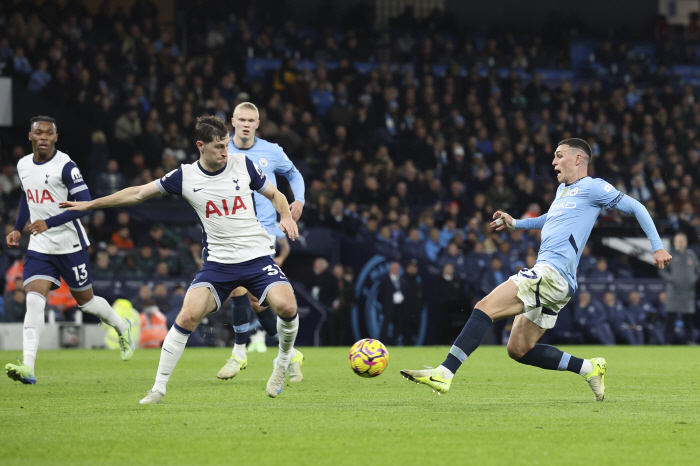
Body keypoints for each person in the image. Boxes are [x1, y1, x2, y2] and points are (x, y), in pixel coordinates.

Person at [401, 138, 672, 401]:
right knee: (518, 349)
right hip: (557, 280)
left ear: (578, 158)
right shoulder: (562, 192)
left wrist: (657, 247)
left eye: (559, 155)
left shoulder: (593, 187)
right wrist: (516, 224)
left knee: (485, 306)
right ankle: (589, 368)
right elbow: (549, 218)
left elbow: (636, 207)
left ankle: (444, 372)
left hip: (552, 274)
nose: (553, 161)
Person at [61, 115, 301, 402]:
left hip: (257, 257)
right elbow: (138, 193)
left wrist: (285, 216)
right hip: (218, 265)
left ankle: (283, 362)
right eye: (218, 147)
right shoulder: (185, 177)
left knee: (287, 306)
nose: (226, 152)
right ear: (200, 146)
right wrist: (91, 203)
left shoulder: (242, 165)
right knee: (186, 316)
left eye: (226, 145)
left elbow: (275, 195)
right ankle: (158, 389)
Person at [5, 116, 134, 385]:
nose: (43, 137)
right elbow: (28, 196)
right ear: (30, 136)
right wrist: (19, 228)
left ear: (55, 137)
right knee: (33, 299)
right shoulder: (23, 165)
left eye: (48, 133)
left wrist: (48, 222)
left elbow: (85, 203)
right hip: (40, 246)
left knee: (86, 303)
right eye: (38, 133)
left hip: (69, 244)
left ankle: (122, 327)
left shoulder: (66, 166)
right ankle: (28, 366)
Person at [217, 102, 305, 380]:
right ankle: (290, 353)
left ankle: (239, 353)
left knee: (239, 288)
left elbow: (293, 174)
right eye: (241, 119)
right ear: (232, 121)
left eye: (250, 120)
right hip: (230, 229)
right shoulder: (222, 150)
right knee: (256, 302)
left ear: (257, 123)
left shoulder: (272, 151)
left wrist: (298, 199)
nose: (245, 124)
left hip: (262, 232)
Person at [659, 232, 700, 344]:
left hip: (688, 293)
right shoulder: (669, 255)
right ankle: (668, 342)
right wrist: (672, 280)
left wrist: (693, 280)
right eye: (678, 241)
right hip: (674, 293)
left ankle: (689, 342)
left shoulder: (691, 255)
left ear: (686, 242)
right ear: (674, 242)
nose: (681, 243)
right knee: (670, 320)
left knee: (688, 321)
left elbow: (697, 270)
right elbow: (661, 270)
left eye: (682, 241)